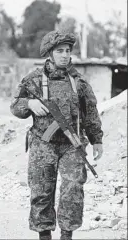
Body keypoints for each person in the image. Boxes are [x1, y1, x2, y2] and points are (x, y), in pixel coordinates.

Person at [10, 30, 104, 240]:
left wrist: (97, 139)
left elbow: (90, 112)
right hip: (43, 144)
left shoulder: (78, 81)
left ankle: (67, 235)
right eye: (59, 51)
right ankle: (44, 234)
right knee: (42, 191)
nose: (64, 55)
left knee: (73, 189)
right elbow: (15, 107)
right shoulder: (33, 79)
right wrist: (30, 103)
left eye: (68, 51)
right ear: (49, 54)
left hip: (72, 144)